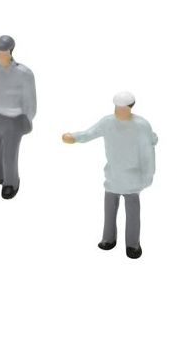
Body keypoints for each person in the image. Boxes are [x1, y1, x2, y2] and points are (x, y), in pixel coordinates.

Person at [63, 91, 157, 259]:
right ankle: (108, 238)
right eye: (116, 107)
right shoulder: (107, 122)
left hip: (132, 180)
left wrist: (149, 175)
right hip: (112, 177)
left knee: (133, 215)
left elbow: (148, 153)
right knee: (109, 212)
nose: (118, 110)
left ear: (130, 107)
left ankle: (133, 244)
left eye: (122, 107)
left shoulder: (141, 126)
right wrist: (74, 137)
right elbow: (89, 133)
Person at [0, 35, 36, 199]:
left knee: (9, 154)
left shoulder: (23, 73)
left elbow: (30, 99)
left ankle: (11, 182)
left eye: (2, 52)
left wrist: (28, 118)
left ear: (10, 51)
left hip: (15, 119)